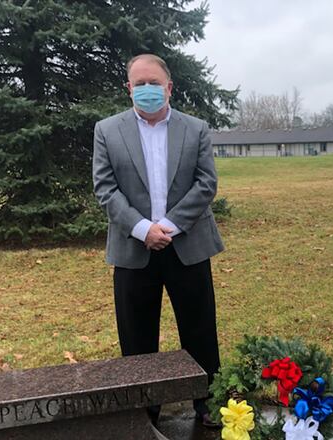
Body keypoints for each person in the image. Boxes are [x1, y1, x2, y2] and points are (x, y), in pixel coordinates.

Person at [92, 54, 224, 427]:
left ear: (169, 87)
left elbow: (206, 183)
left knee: (199, 329)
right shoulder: (107, 130)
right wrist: (142, 229)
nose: (147, 89)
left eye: (154, 83)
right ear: (128, 88)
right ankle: (145, 409)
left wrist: (166, 226)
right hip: (133, 249)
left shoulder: (195, 129)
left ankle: (207, 401)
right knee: (136, 335)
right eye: (139, 84)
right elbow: (105, 187)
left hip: (187, 246)